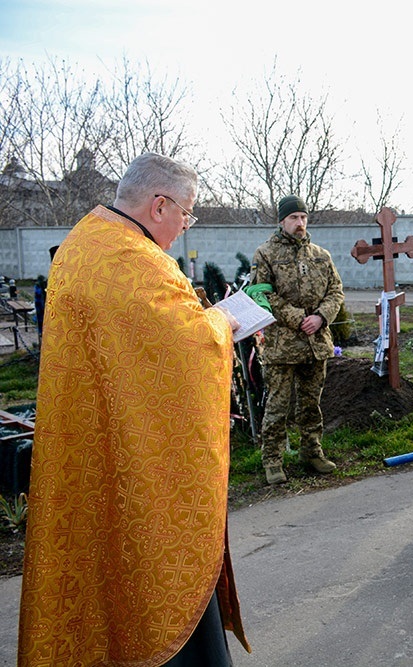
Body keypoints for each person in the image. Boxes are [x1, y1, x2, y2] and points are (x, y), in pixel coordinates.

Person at [18, 152, 250, 665]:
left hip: (93, 438)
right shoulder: (135, 261)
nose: (186, 226)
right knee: (148, 573)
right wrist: (221, 326)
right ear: (159, 204)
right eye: (186, 214)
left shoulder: (84, 241)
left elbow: (143, 342)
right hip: (135, 461)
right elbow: (184, 345)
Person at [252, 194, 344, 485]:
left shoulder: (321, 255)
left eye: (303, 217)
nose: (300, 223)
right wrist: (295, 317)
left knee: (310, 403)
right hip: (281, 344)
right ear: (282, 221)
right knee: (278, 406)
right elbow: (262, 293)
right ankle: (273, 460)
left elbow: (336, 291)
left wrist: (320, 317)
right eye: (294, 218)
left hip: (315, 343)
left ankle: (312, 451)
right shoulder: (266, 253)